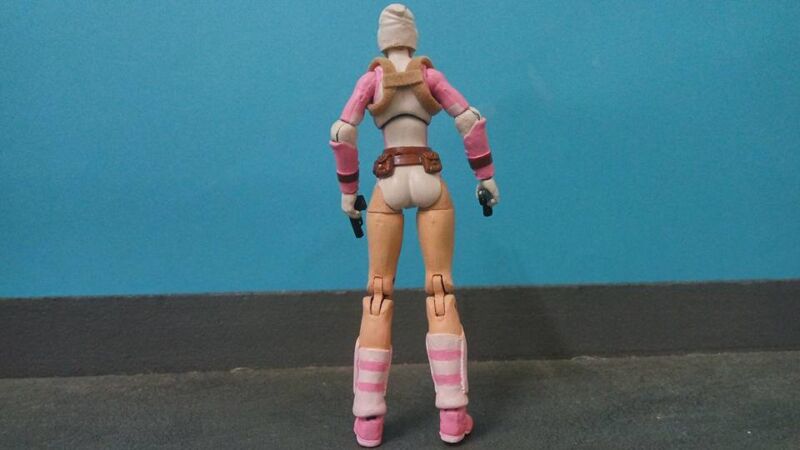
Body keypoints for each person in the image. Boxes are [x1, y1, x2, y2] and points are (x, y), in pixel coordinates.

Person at [328, 4, 500, 447]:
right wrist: (485, 176)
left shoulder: (372, 80)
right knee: (440, 288)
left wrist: (349, 191)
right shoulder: (429, 77)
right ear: (413, 36)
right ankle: (453, 414)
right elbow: (469, 120)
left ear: (382, 39)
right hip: (428, 178)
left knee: (378, 293)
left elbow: (343, 133)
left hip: (387, 183)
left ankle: (368, 418)